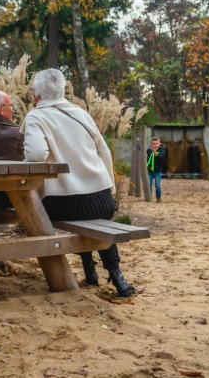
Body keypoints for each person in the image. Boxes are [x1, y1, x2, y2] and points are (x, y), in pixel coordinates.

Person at [23, 68, 136, 297]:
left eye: (32, 90)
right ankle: (116, 277)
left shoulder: (36, 116)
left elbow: (35, 156)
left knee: (74, 212)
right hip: (101, 199)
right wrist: (110, 191)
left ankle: (91, 272)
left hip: (63, 204)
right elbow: (103, 151)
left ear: (37, 94)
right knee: (95, 218)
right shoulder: (80, 113)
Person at [146, 137, 167, 202]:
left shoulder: (162, 150)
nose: (155, 145)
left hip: (157, 171)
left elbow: (161, 157)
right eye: (154, 144)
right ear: (151, 144)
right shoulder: (149, 150)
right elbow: (147, 158)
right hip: (150, 170)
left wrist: (155, 153)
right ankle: (149, 198)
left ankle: (158, 197)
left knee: (157, 185)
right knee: (149, 184)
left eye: (156, 144)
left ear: (159, 143)